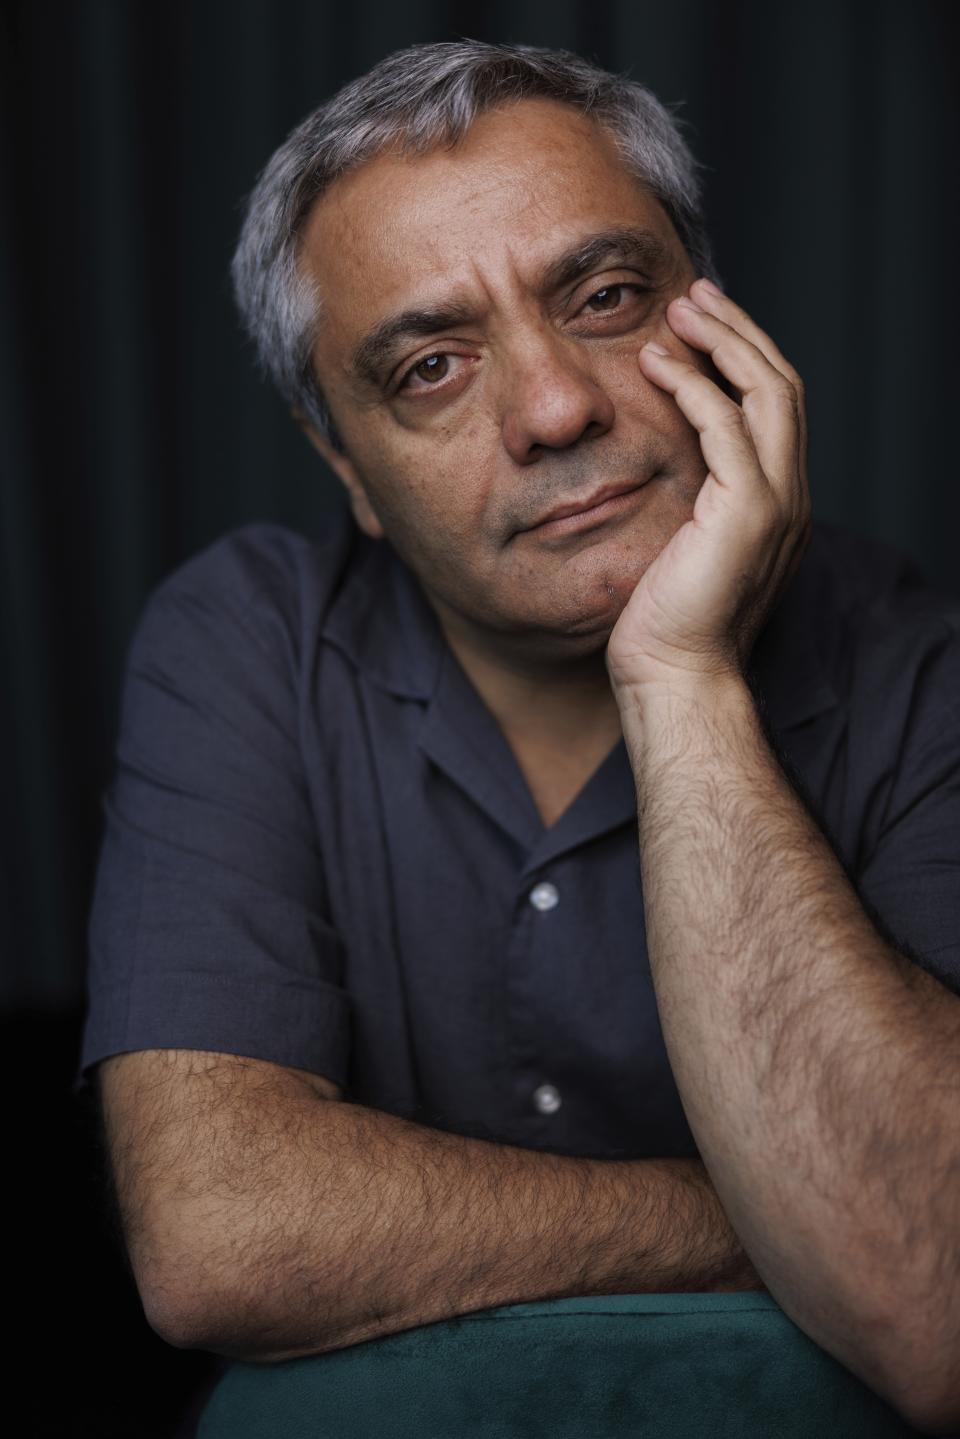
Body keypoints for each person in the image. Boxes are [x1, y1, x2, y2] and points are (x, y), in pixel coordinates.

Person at [76, 40, 960, 1434]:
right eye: (431, 366)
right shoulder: (242, 637)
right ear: (348, 469)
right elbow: (219, 1236)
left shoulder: (918, 667)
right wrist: (773, 1217)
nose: (556, 409)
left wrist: (679, 677)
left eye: (607, 299)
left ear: (721, 324)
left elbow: (932, 1294)